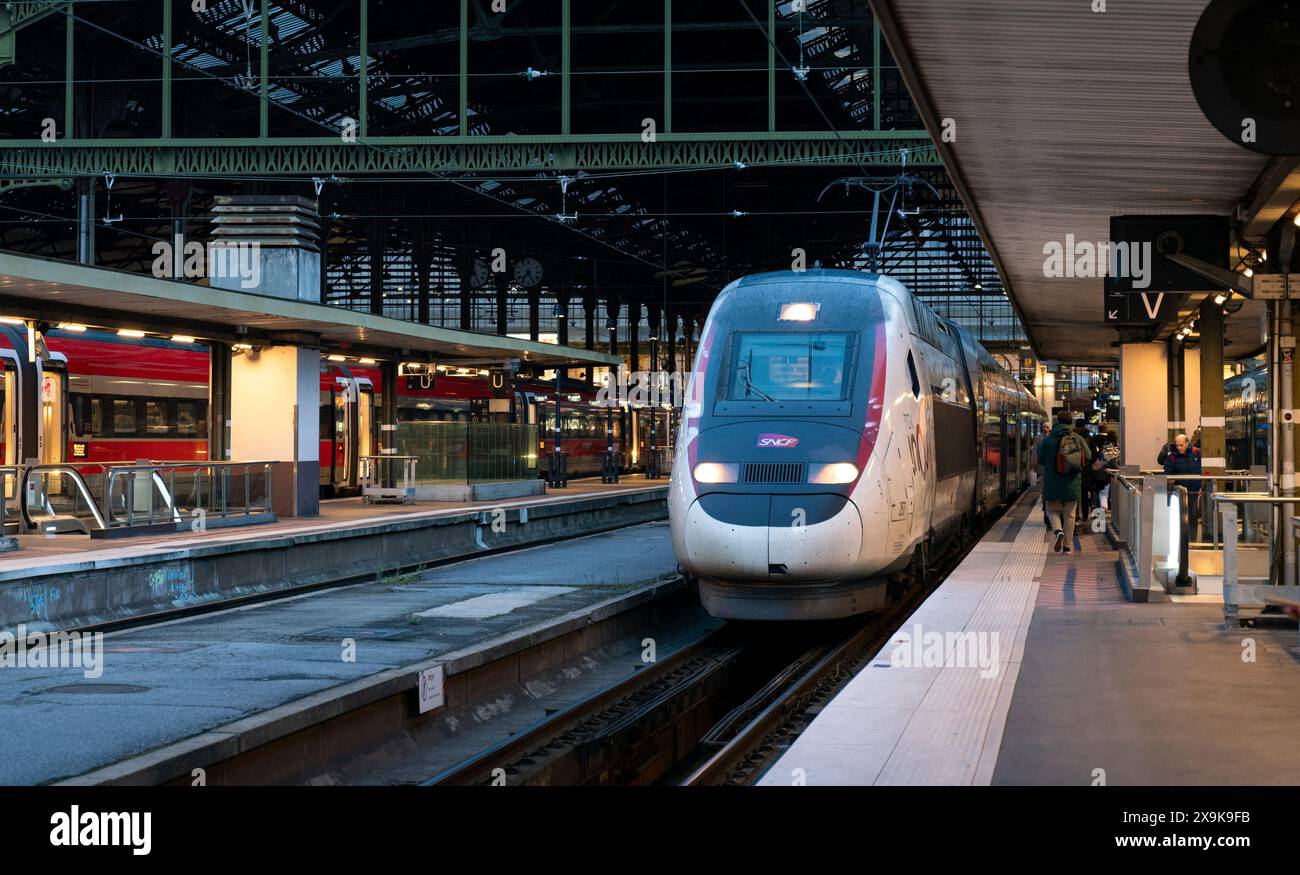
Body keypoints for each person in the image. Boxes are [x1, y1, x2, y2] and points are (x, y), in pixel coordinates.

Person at [1037, 410, 1092, 553]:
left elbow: (1041, 459)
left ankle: (1057, 531)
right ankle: (1067, 547)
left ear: (1057, 422)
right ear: (1071, 423)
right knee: (1070, 515)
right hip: (1072, 483)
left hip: (1052, 483)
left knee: (1052, 510)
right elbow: (1088, 457)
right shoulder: (1077, 438)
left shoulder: (1048, 439)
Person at [1163, 432, 1202, 532]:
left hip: (1194, 491)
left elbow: (1202, 469)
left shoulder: (1196, 453)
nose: (1179, 448)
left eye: (1181, 445)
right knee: (1180, 517)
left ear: (1187, 443)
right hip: (1179, 492)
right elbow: (1167, 473)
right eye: (1177, 445)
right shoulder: (1172, 457)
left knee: (1193, 517)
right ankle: (1180, 538)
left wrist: (1201, 486)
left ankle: (1192, 540)